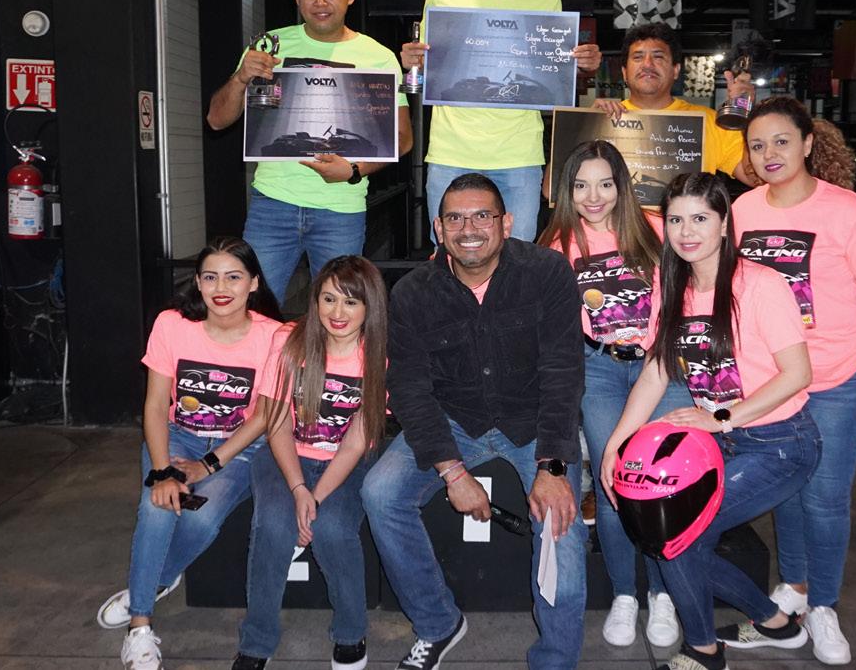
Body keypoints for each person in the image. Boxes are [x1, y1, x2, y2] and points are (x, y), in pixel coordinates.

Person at [362, 173, 587, 670]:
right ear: (438, 229)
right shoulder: (414, 292)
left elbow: (563, 370)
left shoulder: (546, 272)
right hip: (454, 419)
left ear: (506, 223)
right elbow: (410, 387)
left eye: (482, 216)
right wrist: (452, 471)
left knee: (563, 537)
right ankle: (438, 622)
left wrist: (552, 466)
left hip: (533, 422)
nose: (469, 229)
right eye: (455, 218)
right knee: (380, 493)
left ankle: (555, 660)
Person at [601, 172, 820, 670]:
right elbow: (656, 371)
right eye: (676, 220)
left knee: (675, 539)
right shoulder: (673, 283)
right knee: (669, 535)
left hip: (782, 444)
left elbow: (797, 374)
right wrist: (616, 444)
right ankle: (776, 623)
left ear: (724, 224)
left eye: (700, 218)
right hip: (725, 440)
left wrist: (720, 417)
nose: (686, 231)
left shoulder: (760, 284)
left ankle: (703, 649)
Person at [729, 97, 856, 666]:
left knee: (824, 497)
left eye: (781, 141)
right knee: (787, 490)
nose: (769, 153)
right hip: (773, 381)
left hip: (838, 378)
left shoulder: (848, 210)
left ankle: (823, 605)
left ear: (806, 144)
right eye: (757, 145)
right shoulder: (743, 210)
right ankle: (793, 588)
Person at [99, 237, 283, 670]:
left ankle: (152, 582)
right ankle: (139, 625)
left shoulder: (275, 336)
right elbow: (153, 405)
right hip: (178, 436)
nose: (222, 287)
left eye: (234, 277)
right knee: (157, 505)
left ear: (254, 283)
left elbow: (263, 416)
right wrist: (163, 470)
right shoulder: (172, 325)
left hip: (239, 446)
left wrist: (208, 465)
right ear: (198, 283)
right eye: (210, 277)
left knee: (201, 518)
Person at [536, 140, 688, 648]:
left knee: (660, 479)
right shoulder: (558, 243)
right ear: (567, 191)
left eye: (605, 183)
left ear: (622, 185)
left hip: (659, 366)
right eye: (581, 185)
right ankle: (625, 592)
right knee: (613, 479)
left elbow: (684, 292)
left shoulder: (655, 227)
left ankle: (663, 593)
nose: (594, 196)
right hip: (599, 369)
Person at [207, 0, 414, 301]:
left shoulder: (379, 57)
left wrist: (353, 170)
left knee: (338, 314)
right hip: (272, 204)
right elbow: (216, 119)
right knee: (253, 309)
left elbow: (402, 139)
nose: (320, 2)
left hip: (341, 208)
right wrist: (242, 78)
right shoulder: (267, 47)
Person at [399, 0, 602, 241]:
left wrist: (584, 65)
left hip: (519, 155)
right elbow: (430, 66)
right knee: (449, 255)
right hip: (451, 151)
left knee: (517, 257)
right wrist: (413, 62)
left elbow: (552, 70)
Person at [232, 256, 388, 670]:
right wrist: (299, 488)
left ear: (370, 307)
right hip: (285, 455)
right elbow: (277, 424)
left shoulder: (380, 356)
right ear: (315, 300)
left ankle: (351, 633)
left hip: (347, 462)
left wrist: (315, 499)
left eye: (351, 302)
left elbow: (355, 443)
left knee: (333, 528)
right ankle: (257, 640)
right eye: (329, 299)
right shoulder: (289, 341)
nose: (338, 312)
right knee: (273, 525)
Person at [592, 22, 760, 188]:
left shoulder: (710, 121)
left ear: (676, 70)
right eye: (638, 57)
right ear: (624, 72)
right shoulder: (604, 118)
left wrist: (742, 115)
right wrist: (587, 122)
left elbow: (755, 178)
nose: (647, 64)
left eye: (658, 57)